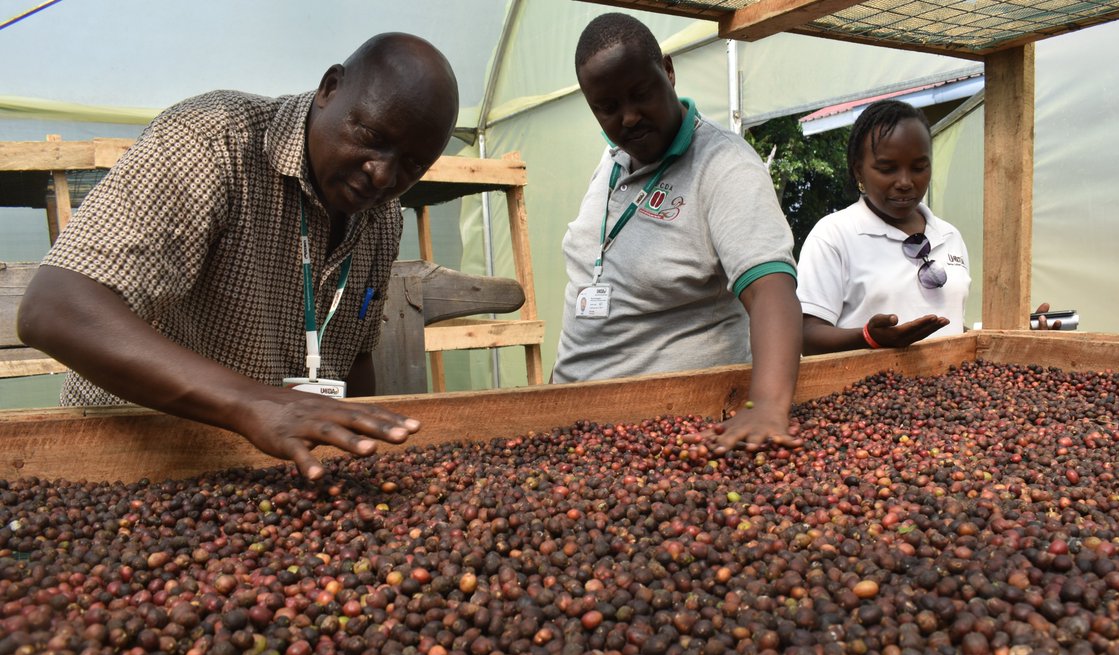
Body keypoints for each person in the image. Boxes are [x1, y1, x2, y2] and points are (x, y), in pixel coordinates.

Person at [17, 33, 460, 480]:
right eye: (370, 136)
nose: (382, 174)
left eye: (411, 166)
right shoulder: (211, 141)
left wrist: (358, 457)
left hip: (264, 471)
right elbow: (53, 308)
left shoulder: (381, 217)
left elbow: (355, 360)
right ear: (329, 88)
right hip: (133, 456)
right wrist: (256, 403)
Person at [553, 13, 804, 452]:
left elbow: (771, 289)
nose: (628, 118)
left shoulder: (724, 166)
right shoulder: (613, 161)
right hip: (574, 426)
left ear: (667, 71)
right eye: (608, 108)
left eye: (640, 94)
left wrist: (767, 405)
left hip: (666, 434)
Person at [796, 99, 1056, 355]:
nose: (906, 182)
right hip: (868, 394)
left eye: (919, 167)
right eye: (887, 169)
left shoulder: (949, 236)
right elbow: (805, 335)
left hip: (946, 394)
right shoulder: (834, 235)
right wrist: (868, 337)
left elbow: (950, 328)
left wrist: (1015, 337)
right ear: (858, 171)